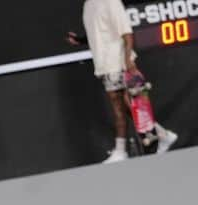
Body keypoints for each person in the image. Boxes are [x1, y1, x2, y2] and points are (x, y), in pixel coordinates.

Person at [68, 0, 178, 163]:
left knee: (121, 105)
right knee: (125, 107)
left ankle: (121, 151)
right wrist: (81, 40)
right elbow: (99, 33)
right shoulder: (88, 5)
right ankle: (163, 135)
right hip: (104, 65)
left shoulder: (111, 2)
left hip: (117, 61)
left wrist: (128, 60)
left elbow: (126, 33)